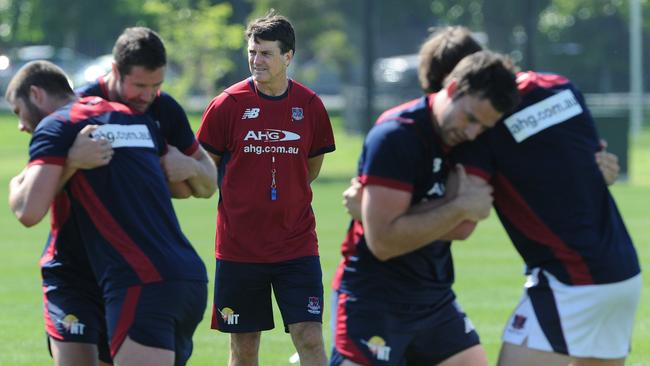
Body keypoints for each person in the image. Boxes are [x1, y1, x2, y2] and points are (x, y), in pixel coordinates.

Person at [343, 26, 638, 366]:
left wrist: (371, 214)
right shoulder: (560, 86)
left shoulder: (484, 130)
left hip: (569, 278)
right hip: (624, 272)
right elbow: (591, 161)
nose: (469, 129)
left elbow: (462, 222)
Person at [7, 60, 208, 366]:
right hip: (182, 275)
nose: (21, 125)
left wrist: (16, 183)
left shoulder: (58, 125)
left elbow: (27, 210)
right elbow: (184, 188)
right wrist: (72, 162)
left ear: (35, 94)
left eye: (19, 112)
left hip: (134, 277)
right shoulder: (133, 118)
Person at [330, 50, 521, 366]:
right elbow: (384, 243)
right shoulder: (396, 135)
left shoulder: (469, 141)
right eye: (471, 118)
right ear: (452, 87)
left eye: (483, 128)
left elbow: (464, 227)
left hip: (434, 299)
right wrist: (458, 204)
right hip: (376, 299)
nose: (473, 133)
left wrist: (398, 218)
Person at [196, 10, 335, 366]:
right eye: (252, 52)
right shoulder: (227, 105)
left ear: (288, 56)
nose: (256, 60)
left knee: (310, 337)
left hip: (297, 245)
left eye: (266, 53)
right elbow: (203, 169)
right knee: (244, 347)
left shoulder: (309, 106)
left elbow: (310, 168)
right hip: (239, 249)